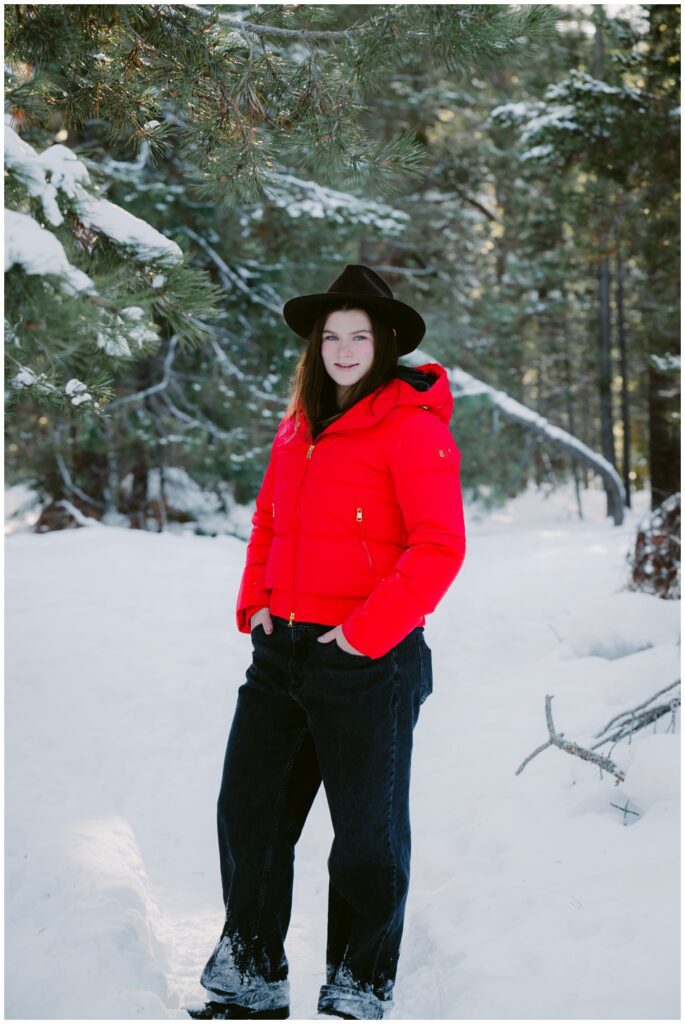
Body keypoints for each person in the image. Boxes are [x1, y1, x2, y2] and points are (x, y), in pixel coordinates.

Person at [189, 264, 467, 1021]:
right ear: (315, 346)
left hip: (368, 661)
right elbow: (270, 524)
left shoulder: (410, 428)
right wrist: (256, 604)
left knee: (365, 842)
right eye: (331, 335)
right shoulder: (297, 429)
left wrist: (361, 635)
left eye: (359, 335)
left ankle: (356, 987)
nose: (343, 348)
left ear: (385, 345)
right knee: (249, 816)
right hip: (281, 656)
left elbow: (439, 546)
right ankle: (251, 975)